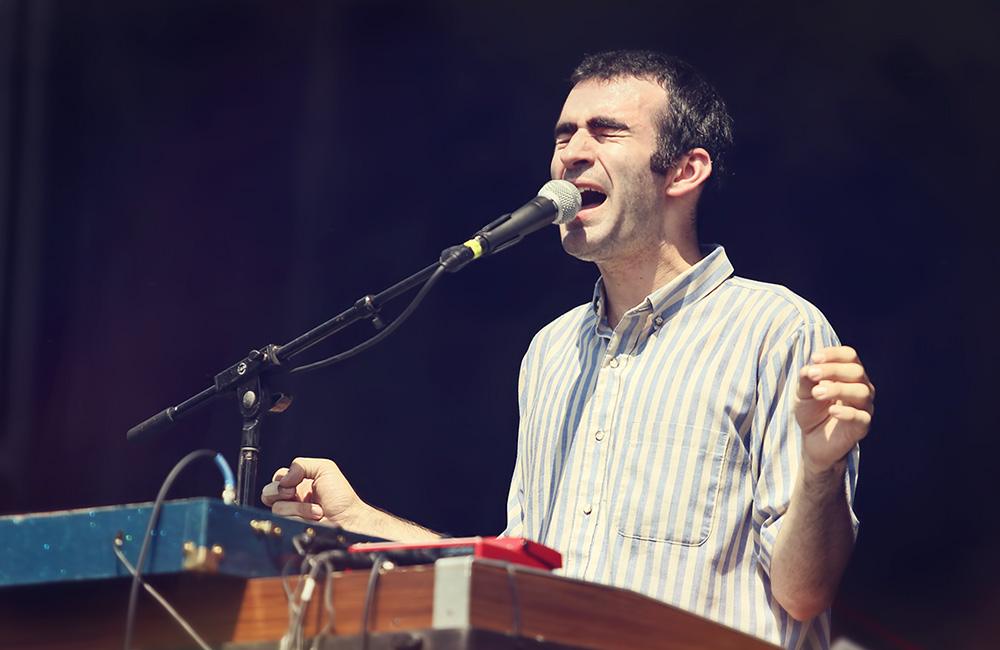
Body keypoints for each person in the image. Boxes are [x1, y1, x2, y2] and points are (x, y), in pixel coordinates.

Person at [262, 50, 874, 650]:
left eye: (606, 133)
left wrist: (821, 472)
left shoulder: (777, 328)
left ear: (684, 172)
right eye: (564, 135)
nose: (572, 152)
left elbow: (803, 595)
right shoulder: (550, 352)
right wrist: (356, 522)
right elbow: (519, 576)